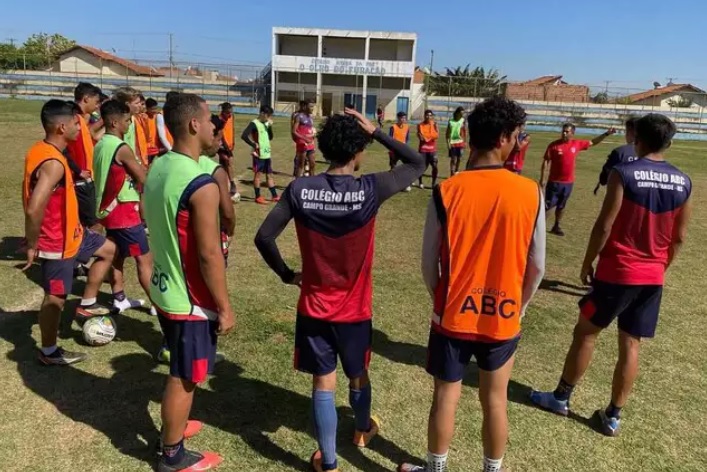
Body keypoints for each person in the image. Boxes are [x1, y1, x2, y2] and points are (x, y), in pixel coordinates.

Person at [254, 108, 425, 472]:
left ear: (324, 147)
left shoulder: (300, 189)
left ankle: (329, 463)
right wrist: (376, 131)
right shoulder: (370, 188)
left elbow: (264, 237)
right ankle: (362, 430)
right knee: (358, 374)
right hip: (355, 310)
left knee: (323, 382)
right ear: (359, 151)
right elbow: (417, 162)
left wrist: (288, 275)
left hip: (314, 307)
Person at [398, 97, 546, 472]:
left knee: (446, 395)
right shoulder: (531, 192)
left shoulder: (447, 189)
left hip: (453, 314)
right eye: (517, 135)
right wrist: (518, 306)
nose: (518, 142)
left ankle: (435, 468)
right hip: (504, 315)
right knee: (495, 400)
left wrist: (442, 298)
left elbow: (427, 262)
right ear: (503, 138)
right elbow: (538, 266)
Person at [530, 114, 692, 438]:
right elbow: (679, 237)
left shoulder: (624, 172)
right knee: (631, 343)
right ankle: (613, 416)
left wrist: (587, 261)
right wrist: (660, 268)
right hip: (652, 277)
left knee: (586, 332)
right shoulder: (683, 181)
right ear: (669, 143)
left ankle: (561, 397)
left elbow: (605, 224)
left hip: (618, 271)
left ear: (637, 139)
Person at [144, 93, 235, 471]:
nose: (216, 126)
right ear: (194, 124)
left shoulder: (160, 165)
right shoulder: (201, 184)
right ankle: (172, 454)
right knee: (184, 376)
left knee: (182, 370)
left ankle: (176, 426)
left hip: (164, 287)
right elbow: (209, 255)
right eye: (211, 119)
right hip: (190, 300)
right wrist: (224, 307)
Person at [22, 100, 116, 366]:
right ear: (62, 127)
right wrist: (33, 244)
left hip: (74, 233)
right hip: (57, 242)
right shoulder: (52, 162)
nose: (80, 127)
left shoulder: (44, 149)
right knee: (56, 298)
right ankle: (49, 351)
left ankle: (87, 304)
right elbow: (34, 208)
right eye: (76, 123)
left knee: (109, 250)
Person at [93, 100, 152, 313]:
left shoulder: (101, 144)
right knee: (144, 259)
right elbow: (143, 178)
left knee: (116, 255)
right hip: (124, 210)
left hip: (108, 209)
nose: (129, 124)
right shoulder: (121, 148)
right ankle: (160, 305)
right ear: (114, 122)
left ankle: (119, 298)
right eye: (127, 120)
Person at [539, 123, 616, 236]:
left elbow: (593, 142)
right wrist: (543, 178)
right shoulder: (553, 146)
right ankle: (540, 227)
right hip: (554, 182)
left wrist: (606, 134)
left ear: (572, 133)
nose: (564, 133)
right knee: (549, 206)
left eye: (567, 132)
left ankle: (556, 226)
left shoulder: (576, 144)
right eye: (563, 131)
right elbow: (546, 161)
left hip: (568, 183)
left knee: (562, 206)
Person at [66, 81, 103, 231]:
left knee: (86, 223)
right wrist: (78, 170)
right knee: (94, 224)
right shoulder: (72, 120)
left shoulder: (80, 119)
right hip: (80, 181)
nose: (97, 106)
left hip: (86, 179)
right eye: (96, 101)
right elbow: (63, 149)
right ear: (86, 98)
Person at [241, 105, 278, 204]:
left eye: (270, 116)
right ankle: (258, 197)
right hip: (259, 154)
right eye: (268, 115)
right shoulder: (254, 123)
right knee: (258, 175)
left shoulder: (266, 124)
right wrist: (253, 144)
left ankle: (274, 196)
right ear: (262, 113)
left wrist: (269, 127)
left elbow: (270, 137)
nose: (269, 118)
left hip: (267, 154)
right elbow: (244, 135)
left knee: (269, 175)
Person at [594, 116, 639, 194]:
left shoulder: (619, 152)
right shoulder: (651, 153)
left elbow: (604, 178)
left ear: (629, 133)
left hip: (622, 196)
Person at [113, 86, 149, 167]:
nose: (140, 105)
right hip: (123, 163)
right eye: (137, 103)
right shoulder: (118, 121)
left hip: (134, 161)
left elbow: (136, 144)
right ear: (127, 104)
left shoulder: (133, 119)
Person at [218, 102, 238, 197]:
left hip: (229, 145)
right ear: (223, 111)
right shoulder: (220, 119)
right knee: (228, 161)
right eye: (228, 112)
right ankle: (232, 183)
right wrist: (226, 146)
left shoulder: (231, 117)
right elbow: (221, 134)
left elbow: (232, 129)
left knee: (224, 165)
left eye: (231, 112)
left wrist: (233, 142)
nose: (229, 114)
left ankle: (223, 186)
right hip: (222, 145)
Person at [293, 99, 317, 177]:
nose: (312, 108)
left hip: (311, 143)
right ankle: (297, 182)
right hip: (302, 143)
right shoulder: (299, 116)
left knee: (312, 164)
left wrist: (313, 134)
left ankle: (312, 181)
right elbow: (294, 131)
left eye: (313, 106)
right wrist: (304, 138)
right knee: (301, 165)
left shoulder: (310, 117)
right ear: (306, 106)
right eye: (311, 106)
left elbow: (310, 129)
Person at [389, 111, 412, 192]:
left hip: (403, 150)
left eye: (405, 118)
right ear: (398, 118)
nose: (404, 119)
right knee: (393, 167)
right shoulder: (393, 127)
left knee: (407, 167)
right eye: (402, 118)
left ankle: (406, 184)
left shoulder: (407, 127)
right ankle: (392, 183)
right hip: (394, 150)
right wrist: (392, 150)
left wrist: (406, 146)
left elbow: (407, 139)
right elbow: (390, 139)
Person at [417, 109, 439, 189]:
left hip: (432, 150)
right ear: (424, 116)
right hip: (423, 150)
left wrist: (428, 136)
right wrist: (431, 136)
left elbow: (437, 136)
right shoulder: (420, 125)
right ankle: (420, 182)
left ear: (432, 116)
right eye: (427, 115)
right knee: (421, 167)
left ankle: (433, 183)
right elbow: (421, 138)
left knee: (435, 166)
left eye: (430, 115)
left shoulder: (435, 124)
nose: (428, 117)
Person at [446, 106, 466, 176]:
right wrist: (448, 144)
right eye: (461, 113)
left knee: (459, 159)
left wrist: (465, 142)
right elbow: (447, 134)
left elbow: (464, 132)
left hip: (460, 143)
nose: (462, 115)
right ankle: (452, 173)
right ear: (457, 113)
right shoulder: (451, 121)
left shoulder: (463, 120)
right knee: (453, 159)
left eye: (463, 113)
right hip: (453, 143)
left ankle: (456, 170)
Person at [156, 92, 177, 157]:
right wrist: (170, 149)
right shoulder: (161, 115)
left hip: (175, 149)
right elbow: (162, 136)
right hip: (167, 150)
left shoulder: (177, 114)